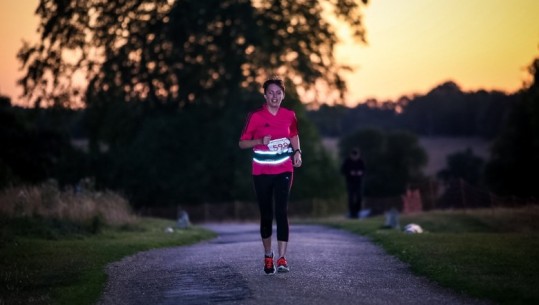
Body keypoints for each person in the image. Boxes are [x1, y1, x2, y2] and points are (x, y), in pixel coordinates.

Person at [239, 76, 302, 275]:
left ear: (283, 95)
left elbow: (293, 134)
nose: (274, 96)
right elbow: (242, 143)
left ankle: (282, 258)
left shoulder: (290, 115)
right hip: (262, 171)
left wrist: (298, 152)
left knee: (281, 212)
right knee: (266, 215)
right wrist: (259, 140)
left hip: (284, 169)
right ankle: (268, 256)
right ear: (265, 95)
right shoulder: (255, 117)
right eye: (271, 93)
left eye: (278, 93)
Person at [341, 148, 366, 218]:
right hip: (350, 182)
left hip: (358, 182)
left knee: (359, 197)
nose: (355, 158)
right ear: (351, 155)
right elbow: (342, 171)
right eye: (353, 156)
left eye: (356, 156)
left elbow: (364, 170)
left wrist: (361, 173)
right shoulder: (347, 162)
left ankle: (357, 211)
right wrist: (349, 173)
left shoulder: (361, 161)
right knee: (351, 198)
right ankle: (352, 212)